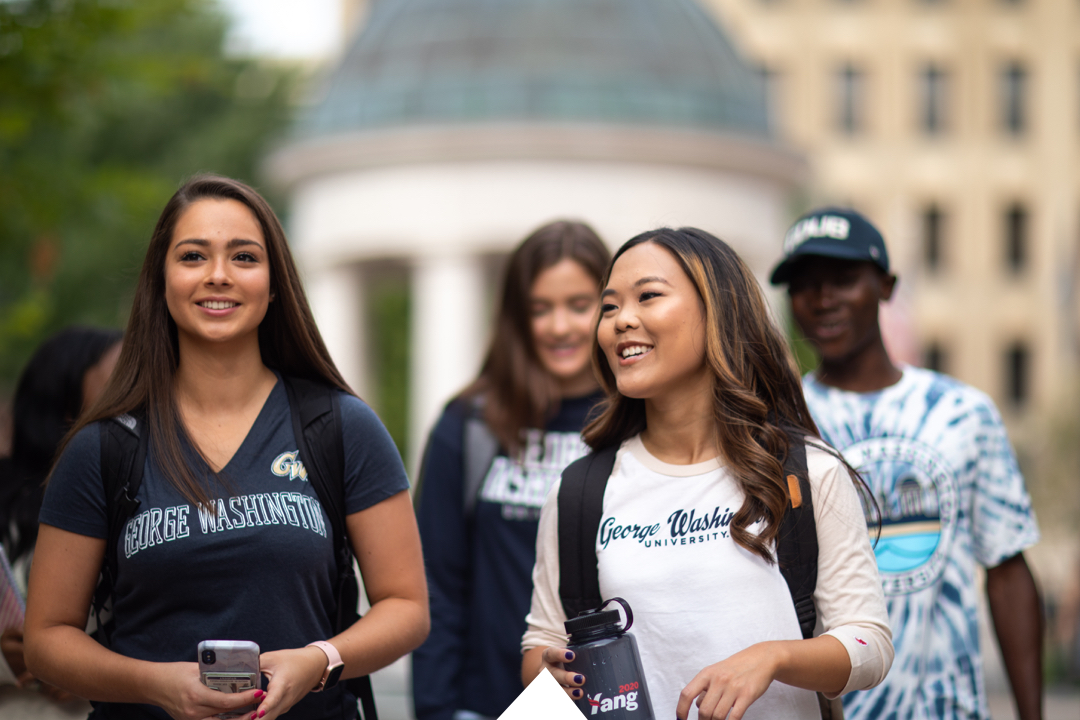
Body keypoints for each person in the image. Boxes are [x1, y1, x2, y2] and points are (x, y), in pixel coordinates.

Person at [23, 174, 429, 720]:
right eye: (193, 256)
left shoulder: (339, 427)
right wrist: (157, 685)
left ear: (274, 281)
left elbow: (406, 607)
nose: (218, 276)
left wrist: (320, 661)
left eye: (244, 257)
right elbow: (46, 639)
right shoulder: (103, 448)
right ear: (161, 280)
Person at [522, 228, 893, 720]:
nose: (620, 321)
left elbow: (869, 645)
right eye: (609, 307)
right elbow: (542, 645)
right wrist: (553, 673)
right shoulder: (579, 492)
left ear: (718, 312)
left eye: (648, 296)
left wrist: (772, 657)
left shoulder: (807, 473)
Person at [770, 207, 1043, 720]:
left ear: (887, 287)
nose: (823, 298)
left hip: (948, 707)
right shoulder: (780, 424)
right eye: (805, 285)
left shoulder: (963, 413)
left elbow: (1008, 569)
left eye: (845, 280)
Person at [411, 221, 611, 720]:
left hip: (614, 703)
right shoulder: (470, 424)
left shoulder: (639, 424)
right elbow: (436, 583)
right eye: (539, 308)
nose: (559, 326)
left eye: (579, 305)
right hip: (487, 705)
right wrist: (437, 709)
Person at [1, 326, 122, 704]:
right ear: (64, 399)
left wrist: (88, 668)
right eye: (119, 376)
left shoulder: (147, 491)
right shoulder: (8, 503)